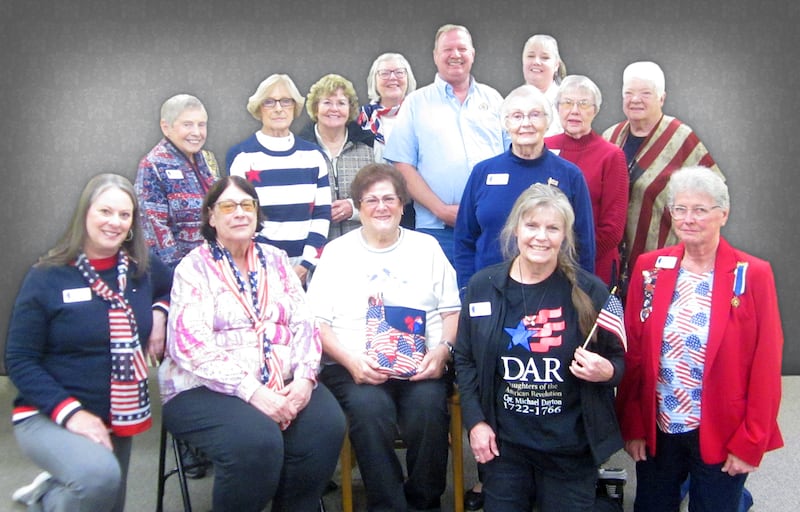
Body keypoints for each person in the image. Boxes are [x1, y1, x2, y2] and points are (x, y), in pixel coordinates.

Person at [159, 176, 346, 511]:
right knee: (256, 441)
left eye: (247, 205)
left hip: (284, 380)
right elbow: (189, 345)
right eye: (228, 206)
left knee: (327, 426)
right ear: (211, 217)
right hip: (203, 388)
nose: (240, 213)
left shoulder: (276, 260)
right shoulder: (193, 268)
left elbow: (304, 322)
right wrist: (254, 392)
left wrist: (304, 379)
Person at [615, 166, 784, 512]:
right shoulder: (649, 268)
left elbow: (766, 365)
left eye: (700, 210)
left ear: (723, 214)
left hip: (722, 430)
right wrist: (633, 425)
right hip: (659, 426)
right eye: (680, 209)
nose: (688, 219)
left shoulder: (753, 274)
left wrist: (750, 442)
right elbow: (633, 355)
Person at [454, 183, 625, 512]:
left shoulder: (590, 292)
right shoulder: (483, 287)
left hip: (569, 450)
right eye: (532, 225)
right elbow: (465, 359)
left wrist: (607, 371)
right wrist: (475, 423)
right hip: (505, 450)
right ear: (515, 228)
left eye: (552, 228)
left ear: (565, 236)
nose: (541, 237)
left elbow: (618, 361)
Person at [6, 174, 171, 511]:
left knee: (107, 502)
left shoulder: (141, 269)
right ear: (85, 213)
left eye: (124, 216)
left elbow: (173, 286)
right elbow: (20, 359)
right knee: (98, 480)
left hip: (117, 415)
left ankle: (56, 488)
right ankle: (50, 499)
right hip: (49, 413)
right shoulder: (48, 275)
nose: (114, 222)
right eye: (105, 211)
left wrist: (159, 313)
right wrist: (73, 415)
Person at [306, 163, 461, 512]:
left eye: (389, 198)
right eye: (371, 200)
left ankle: (424, 502)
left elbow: (453, 311)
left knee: (427, 409)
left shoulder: (427, 247)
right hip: (354, 365)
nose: (381, 207)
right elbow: (316, 323)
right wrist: (350, 361)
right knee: (369, 410)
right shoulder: (337, 252)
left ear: (402, 204)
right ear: (358, 207)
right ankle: (389, 505)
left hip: (422, 362)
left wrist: (442, 351)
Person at [383, 23, 508, 263]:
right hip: (436, 230)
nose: (456, 55)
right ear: (435, 56)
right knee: (442, 300)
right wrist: (440, 209)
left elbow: (511, 158)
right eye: (448, 49)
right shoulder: (416, 103)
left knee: (490, 299)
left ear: (473, 54)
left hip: (491, 229)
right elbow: (402, 166)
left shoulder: (494, 100)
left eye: (462, 48)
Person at [455, 84, 596, 293]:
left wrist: (578, 294)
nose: (526, 123)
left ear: (548, 122)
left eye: (535, 115)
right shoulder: (483, 172)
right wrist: (468, 289)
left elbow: (584, 244)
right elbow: (464, 238)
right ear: (505, 123)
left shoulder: (569, 175)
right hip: (490, 291)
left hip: (551, 293)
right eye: (517, 116)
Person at [602, 61, 724, 278]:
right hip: (609, 263)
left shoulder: (681, 138)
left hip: (663, 262)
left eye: (645, 93)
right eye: (628, 93)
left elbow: (716, 195)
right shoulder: (610, 137)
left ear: (662, 98)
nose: (635, 99)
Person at [226, 74, 331, 286]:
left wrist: (305, 265)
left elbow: (322, 214)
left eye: (286, 101)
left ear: (295, 107)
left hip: (307, 270)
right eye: (269, 102)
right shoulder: (242, 156)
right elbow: (242, 215)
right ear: (258, 109)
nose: (278, 108)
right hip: (258, 266)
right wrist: (273, 265)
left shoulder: (313, 155)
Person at [545, 75, 629, 287]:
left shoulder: (611, 156)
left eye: (583, 104)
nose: (575, 110)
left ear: (595, 110)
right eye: (567, 103)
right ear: (557, 108)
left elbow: (613, 230)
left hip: (592, 267)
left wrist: (570, 258)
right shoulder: (543, 148)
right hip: (544, 264)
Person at [135, 93, 221, 270]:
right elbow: (155, 231)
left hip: (215, 266)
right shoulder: (153, 166)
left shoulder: (206, 160)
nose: (196, 132)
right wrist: (180, 273)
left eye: (201, 125)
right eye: (187, 124)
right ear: (166, 127)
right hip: (180, 273)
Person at [297, 73, 374, 239]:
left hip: (361, 245)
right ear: (315, 108)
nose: (334, 109)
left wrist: (353, 209)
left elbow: (381, 197)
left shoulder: (368, 150)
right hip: (314, 248)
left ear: (350, 109)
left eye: (341, 103)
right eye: (327, 102)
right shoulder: (300, 152)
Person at [357, 52, 418, 229]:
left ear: (408, 78)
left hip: (415, 205)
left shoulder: (420, 115)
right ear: (374, 80)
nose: (393, 78)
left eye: (399, 72)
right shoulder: (361, 119)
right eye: (384, 73)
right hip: (374, 204)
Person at [521, 34, 567, 137]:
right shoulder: (511, 102)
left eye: (544, 57)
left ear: (556, 65)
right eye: (531, 56)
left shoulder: (567, 104)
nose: (536, 62)